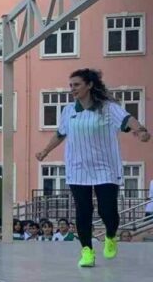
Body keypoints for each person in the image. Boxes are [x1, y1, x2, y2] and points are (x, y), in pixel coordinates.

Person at [36, 68, 150, 267]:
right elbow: (60, 134)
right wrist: (45, 151)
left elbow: (127, 120)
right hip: (78, 168)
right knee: (83, 211)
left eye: (77, 85)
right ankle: (87, 252)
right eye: (71, 85)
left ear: (89, 85)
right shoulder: (68, 110)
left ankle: (111, 235)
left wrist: (140, 131)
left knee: (107, 211)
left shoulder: (108, 108)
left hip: (105, 167)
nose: (72, 89)